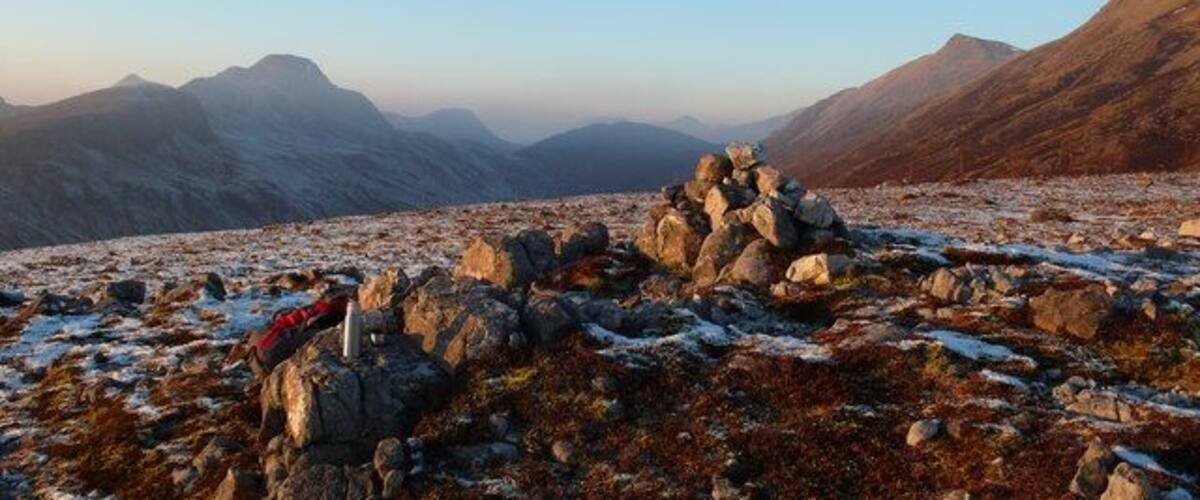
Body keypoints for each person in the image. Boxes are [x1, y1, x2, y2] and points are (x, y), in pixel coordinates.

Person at [229, 287, 353, 378]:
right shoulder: (329, 315)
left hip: (256, 345)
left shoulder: (314, 308)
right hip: (268, 358)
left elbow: (279, 316)